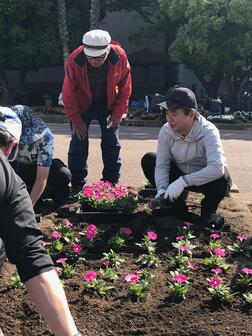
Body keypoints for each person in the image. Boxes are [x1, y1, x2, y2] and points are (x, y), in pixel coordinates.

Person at [0, 107, 82, 335]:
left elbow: (42, 178)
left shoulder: (44, 137)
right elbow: (31, 255)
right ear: (11, 147)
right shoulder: (7, 177)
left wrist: (24, 206)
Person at [141, 87, 231, 229]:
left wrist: (183, 182)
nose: (169, 118)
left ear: (191, 114)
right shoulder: (166, 130)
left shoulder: (209, 131)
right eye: (167, 113)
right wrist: (162, 190)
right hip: (179, 172)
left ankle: (208, 210)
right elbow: (162, 165)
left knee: (222, 177)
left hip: (203, 178)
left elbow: (217, 168)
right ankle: (175, 205)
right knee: (149, 160)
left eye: (174, 114)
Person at [62, 29, 132, 198]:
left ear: (107, 50)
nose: (94, 61)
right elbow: (68, 92)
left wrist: (117, 114)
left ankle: (111, 183)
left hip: (108, 102)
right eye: (91, 57)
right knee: (78, 143)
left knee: (111, 142)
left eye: (99, 57)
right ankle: (77, 183)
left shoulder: (119, 56)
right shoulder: (74, 59)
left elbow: (125, 87)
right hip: (81, 104)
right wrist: (76, 119)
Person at [9, 105, 71, 208]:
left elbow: (42, 176)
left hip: (38, 168)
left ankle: (50, 199)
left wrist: (28, 208)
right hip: (16, 168)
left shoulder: (46, 136)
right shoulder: (4, 133)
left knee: (63, 175)